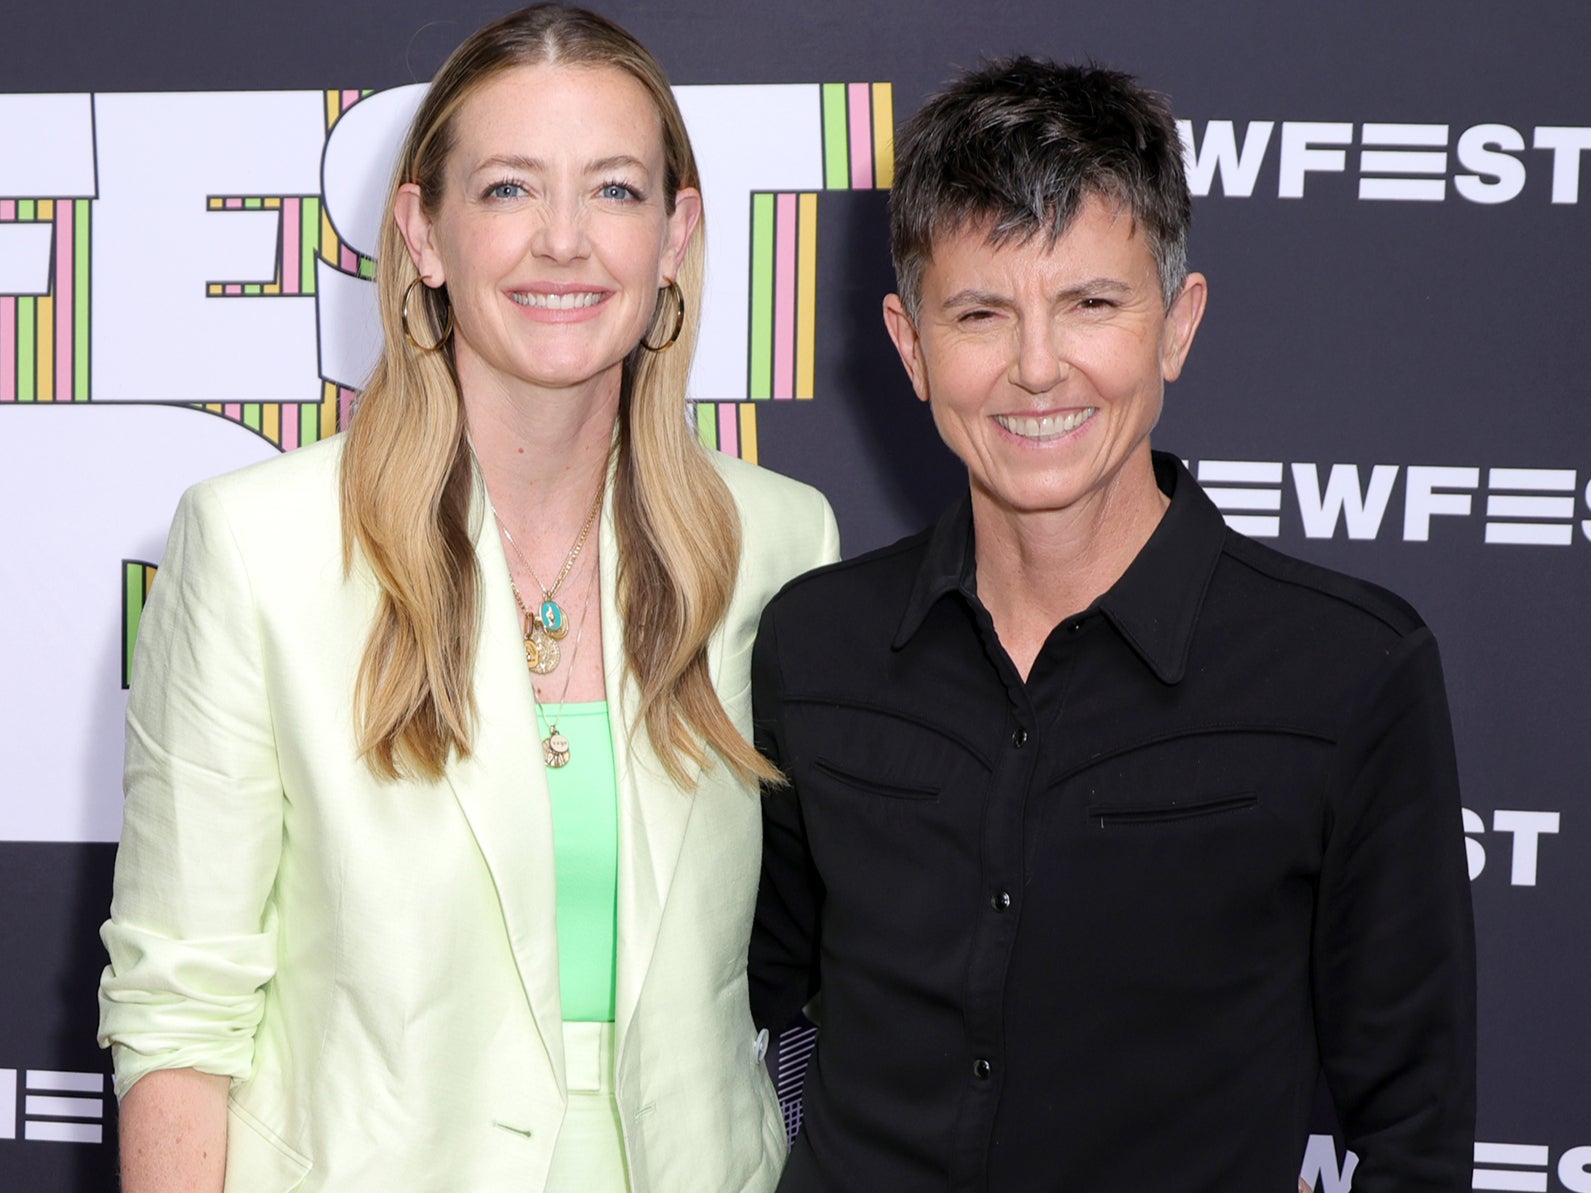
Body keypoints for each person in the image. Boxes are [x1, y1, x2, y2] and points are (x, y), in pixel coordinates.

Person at [98, 7, 838, 1191]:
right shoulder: (257, 545)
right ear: (422, 232)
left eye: (613, 190)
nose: (563, 241)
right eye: (505, 190)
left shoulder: (776, 542)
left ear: (676, 232)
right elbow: (178, 1012)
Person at [749, 57, 1474, 1192]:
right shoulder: (813, 643)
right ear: (909, 345)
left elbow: (1414, 1132)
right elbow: (758, 1009)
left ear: (1175, 325)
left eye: (1090, 303)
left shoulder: (1348, 671)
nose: (1037, 368)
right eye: (981, 312)